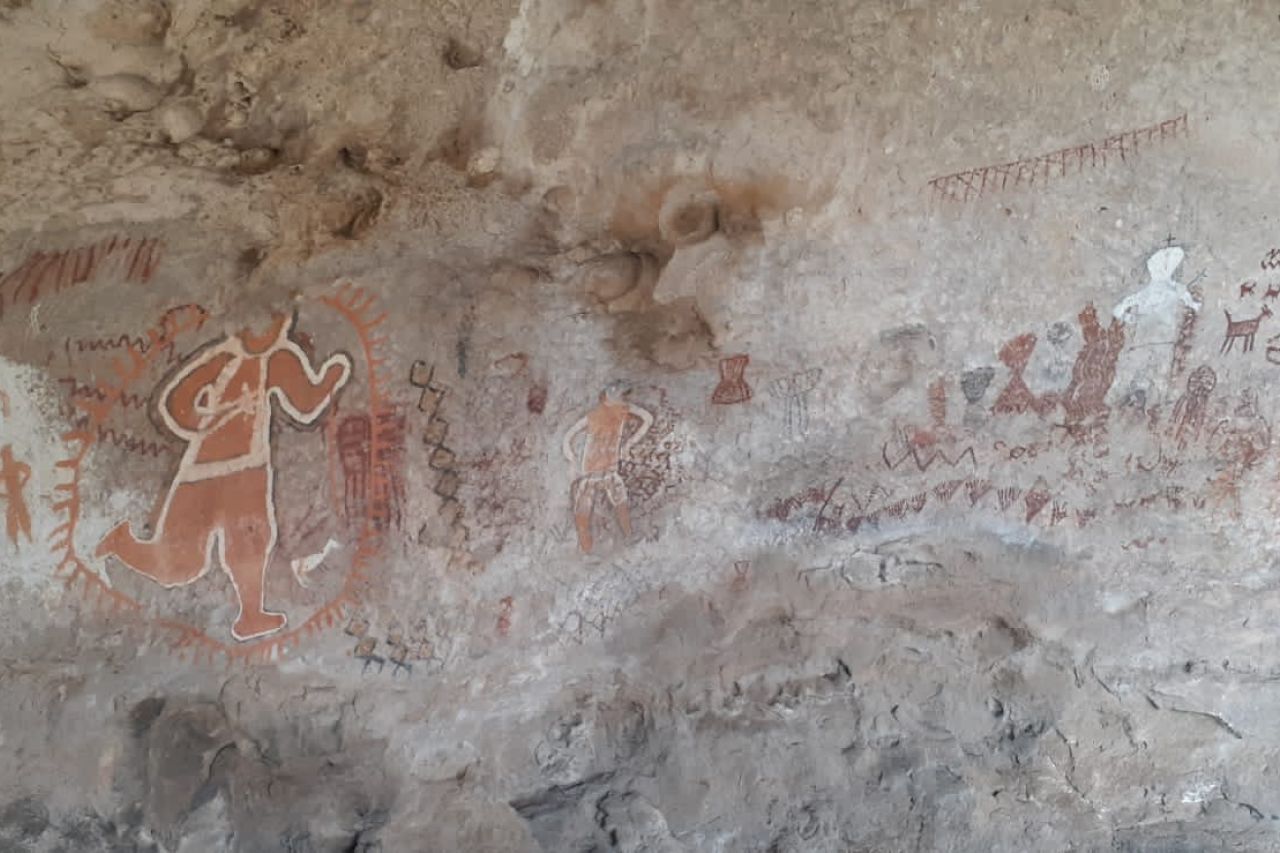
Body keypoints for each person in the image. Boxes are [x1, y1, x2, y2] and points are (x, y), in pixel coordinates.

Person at [95, 313, 352, 640]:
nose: (272, 331)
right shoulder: (222, 359)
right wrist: (199, 424)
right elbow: (176, 403)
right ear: (243, 326)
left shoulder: (280, 358)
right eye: (266, 323)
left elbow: (305, 402)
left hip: (250, 469)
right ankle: (121, 543)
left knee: (252, 540)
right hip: (200, 474)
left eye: (279, 324)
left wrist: (330, 378)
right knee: (181, 565)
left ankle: (251, 615)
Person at [562, 383, 653, 553]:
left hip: (608, 471)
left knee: (620, 506)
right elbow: (567, 437)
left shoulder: (621, 412)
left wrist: (629, 445)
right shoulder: (595, 416)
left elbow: (647, 418)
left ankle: (627, 539)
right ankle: (587, 550)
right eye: (621, 397)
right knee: (584, 513)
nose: (624, 401)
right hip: (591, 473)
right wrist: (572, 461)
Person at [0, 444, 31, 546]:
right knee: (12, 519)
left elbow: (28, 471)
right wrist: (5, 496)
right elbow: (28, 472)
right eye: (5, 456)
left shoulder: (16, 466)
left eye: (9, 455)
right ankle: (16, 543)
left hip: (18, 497)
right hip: (13, 499)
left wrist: (23, 483)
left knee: (22, 516)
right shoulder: (4, 472)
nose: (8, 458)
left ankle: (28, 536)